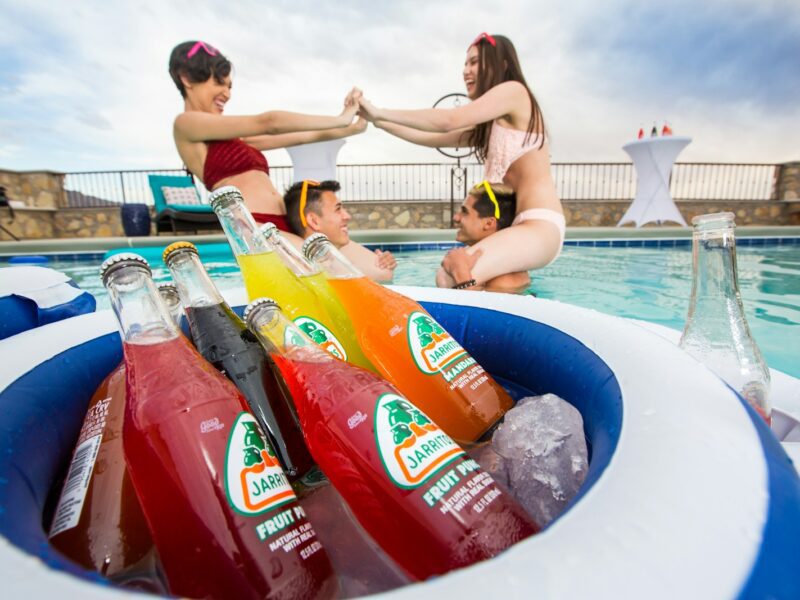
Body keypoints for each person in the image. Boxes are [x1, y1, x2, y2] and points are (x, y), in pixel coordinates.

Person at [357, 33, 564, 289]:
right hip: (513, 229)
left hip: (538, 224)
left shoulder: (515, 92)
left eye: (475, 62)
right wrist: (379, 122)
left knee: (448, 275)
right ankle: (507, 319)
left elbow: (448, 120)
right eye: (466, 64)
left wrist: (380, 111)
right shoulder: (490, 127)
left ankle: (468, 327)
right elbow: (431, 137)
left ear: (502, 64)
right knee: (500, 284)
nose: (467, 71)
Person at [168, 40, 366, 236]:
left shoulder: (236, 139)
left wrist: (353, 126)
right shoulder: (185, 124)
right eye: (219, 83)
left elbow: (302, 137)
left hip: (286, 222)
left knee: (373, 268)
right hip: (255, 226)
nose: (227, 94)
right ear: (186, 79)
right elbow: (269, 122)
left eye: (230, 87)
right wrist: (341, 119)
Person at [284, 180, 396, 282]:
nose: (347, 216)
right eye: (338, 209)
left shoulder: (336, 263)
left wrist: (385, 262)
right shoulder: (308, 273)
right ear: (314, 221)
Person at [445, 181, 530, 293]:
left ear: (489, 223)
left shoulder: (506, 279)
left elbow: (480, 310)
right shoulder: (490, 265)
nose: (456, 217)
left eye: (465, 212)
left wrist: (461, 275)